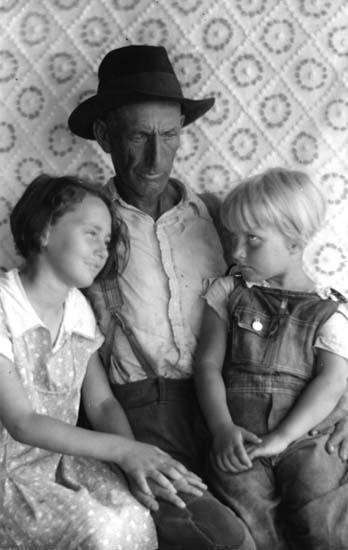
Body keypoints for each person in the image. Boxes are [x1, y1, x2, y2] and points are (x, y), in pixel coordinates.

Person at [68, 45, 256, 550]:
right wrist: (125, 449)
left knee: (281, 519)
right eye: (138, 137)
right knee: (223, 539)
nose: (156, 157)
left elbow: (289, 307)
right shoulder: (85, 226)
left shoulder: (221, 219)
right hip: (138, 413)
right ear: (106, 137)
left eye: (169, 136)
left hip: (228, 404)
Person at [0, 174, 208, 550]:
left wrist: (135, 462)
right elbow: (22, 422)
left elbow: (102, 402)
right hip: (9, 476)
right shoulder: (4, 305)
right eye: (91, 233)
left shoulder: (79, 309)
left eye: (108, 240)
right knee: (101, 530)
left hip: (65, 462)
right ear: (45, 231)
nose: (103, 250)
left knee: (133, 513)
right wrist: (124, 451)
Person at [194, 167, 348, 550]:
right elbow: (207, 365)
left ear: (295, 244)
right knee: (251, 524)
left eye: (253, 240)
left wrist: (283, 437)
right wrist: (221, 429)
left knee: (321, 522)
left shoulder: (329, 311)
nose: (236, 251)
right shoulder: (228, 292)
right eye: (233, 237)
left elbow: (331, 382)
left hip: (306, 438)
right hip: (239, 437)